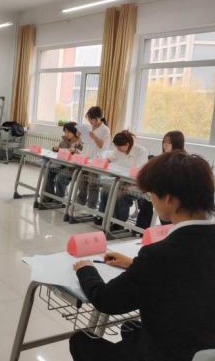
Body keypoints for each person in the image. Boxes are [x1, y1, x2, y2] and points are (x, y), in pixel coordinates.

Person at [70, 151, 215, 361]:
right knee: (131, 327)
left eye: (151, 194)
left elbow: (107, 301)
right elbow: (192, 273)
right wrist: (133, 265)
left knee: (80, 341)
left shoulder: (158, 255)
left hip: (171, 353)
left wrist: (86, 270)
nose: (151, 200)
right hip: (205, 346)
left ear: (169, 199)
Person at [97, 131, 149, 228]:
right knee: (105, 189)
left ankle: (119, 222)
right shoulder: (118, 150)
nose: (117, 149)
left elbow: (139, 170)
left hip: (135, 184)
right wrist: (104, 161)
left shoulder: (141, 151)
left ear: (127, 144)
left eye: (119, 147)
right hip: (120, 181)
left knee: (119, 194)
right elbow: (109, 158)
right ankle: (102, 215)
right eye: (116, 146)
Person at [135, 130, 185, 229]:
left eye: (169, 143)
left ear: (177, 143)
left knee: (154, 200)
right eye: (164, 142)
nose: (165, 145)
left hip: (173, 194)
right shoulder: (163, 157)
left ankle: (162, 229)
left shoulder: (181, 159)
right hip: (160, 190)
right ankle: (140, 228)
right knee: (147, 199)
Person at [76, 106, 111, 212]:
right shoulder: (89, 127)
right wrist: (79, 135)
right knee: (82, 182)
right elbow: (83, 142)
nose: (90, 121)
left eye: (92, 119)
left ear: (98, 118)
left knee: (93, 184)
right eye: (89, 119)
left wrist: (94, 137)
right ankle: (80, 203)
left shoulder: (105, 130)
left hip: (96, 159)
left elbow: (103, 147)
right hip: (85, 157)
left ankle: (91, 207)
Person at [44, 122, 84, 201]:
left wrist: (74, 151)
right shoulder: (65, 140)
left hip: (72, 169)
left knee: (60, 177)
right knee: (47, 171)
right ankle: (49, 197)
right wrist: (56, 149)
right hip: (61, 165)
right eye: (65, 132)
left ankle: (58, 200)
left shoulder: (80, 142)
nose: (66, 134)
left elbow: (80, 156)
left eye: (68, 132)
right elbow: (60, 152)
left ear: (75, 131)